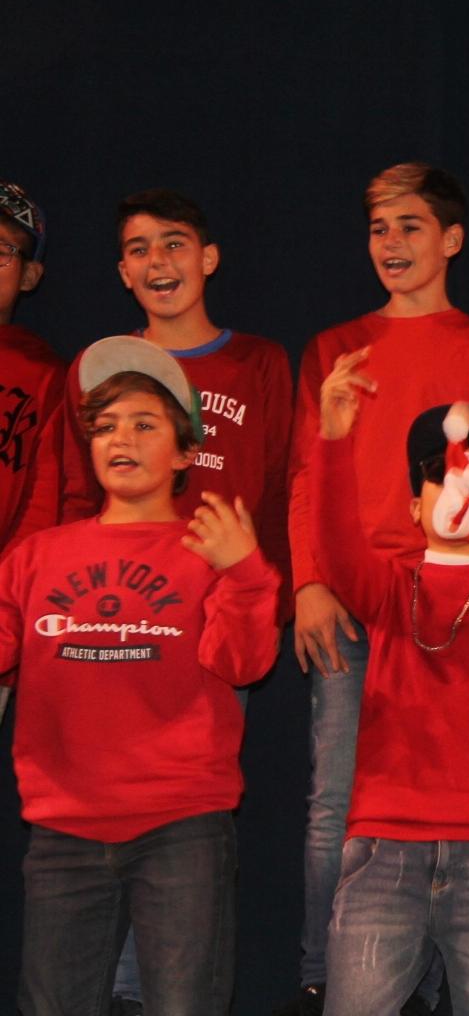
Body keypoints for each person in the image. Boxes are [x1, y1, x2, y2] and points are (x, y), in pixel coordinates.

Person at [278, 163, 469, 1016]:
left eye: (410, 225)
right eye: (379, 228)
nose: (391, 243)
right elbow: (308, 472)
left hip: (455, 597)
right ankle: (326, 974)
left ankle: (428, 979)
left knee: (451, 798)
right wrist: (311, 581)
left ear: (452, 239)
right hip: (358, 595)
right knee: (336, 800)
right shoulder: (335, 348)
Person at [0, 336, 279, 1015]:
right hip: (63, 830)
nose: (120, 438)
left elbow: (245, 664)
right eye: (104, 426)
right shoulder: (36, 556)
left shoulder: (210, 552)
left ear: (186, 453)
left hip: (180, 826)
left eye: (144, 424)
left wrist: (246, 574)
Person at [312, 354, 469, 1012]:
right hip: (384, 846)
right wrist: (332, 440)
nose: (461, 485)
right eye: (438, 474)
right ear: (412, 505)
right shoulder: (394, 585)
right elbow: (336, 550)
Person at [58, 191, 292, 590]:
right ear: (124, 272)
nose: (157, 260)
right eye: (139, 249)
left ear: (208, 259)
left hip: (230, 583)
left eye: (174, 244)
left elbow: (277, 487)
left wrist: (278, 592)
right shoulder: (99, 366)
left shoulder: (260, 362)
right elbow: (79, 491)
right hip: (128, 586)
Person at [0, 181, 62, 553]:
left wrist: (11, 579)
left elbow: (44, 501)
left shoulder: (45, 377)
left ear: (29, 276)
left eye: (1, 251)